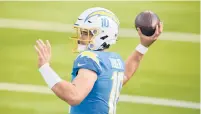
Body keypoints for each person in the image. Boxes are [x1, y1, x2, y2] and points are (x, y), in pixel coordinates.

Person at [34, 7, 163, 114]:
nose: (80, 37)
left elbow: (74, 96)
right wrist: (143, 46)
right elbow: (124, 76)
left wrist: (45, 68)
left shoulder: (90, 59)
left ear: (102, 35)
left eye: (85, 33)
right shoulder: (114, 60)